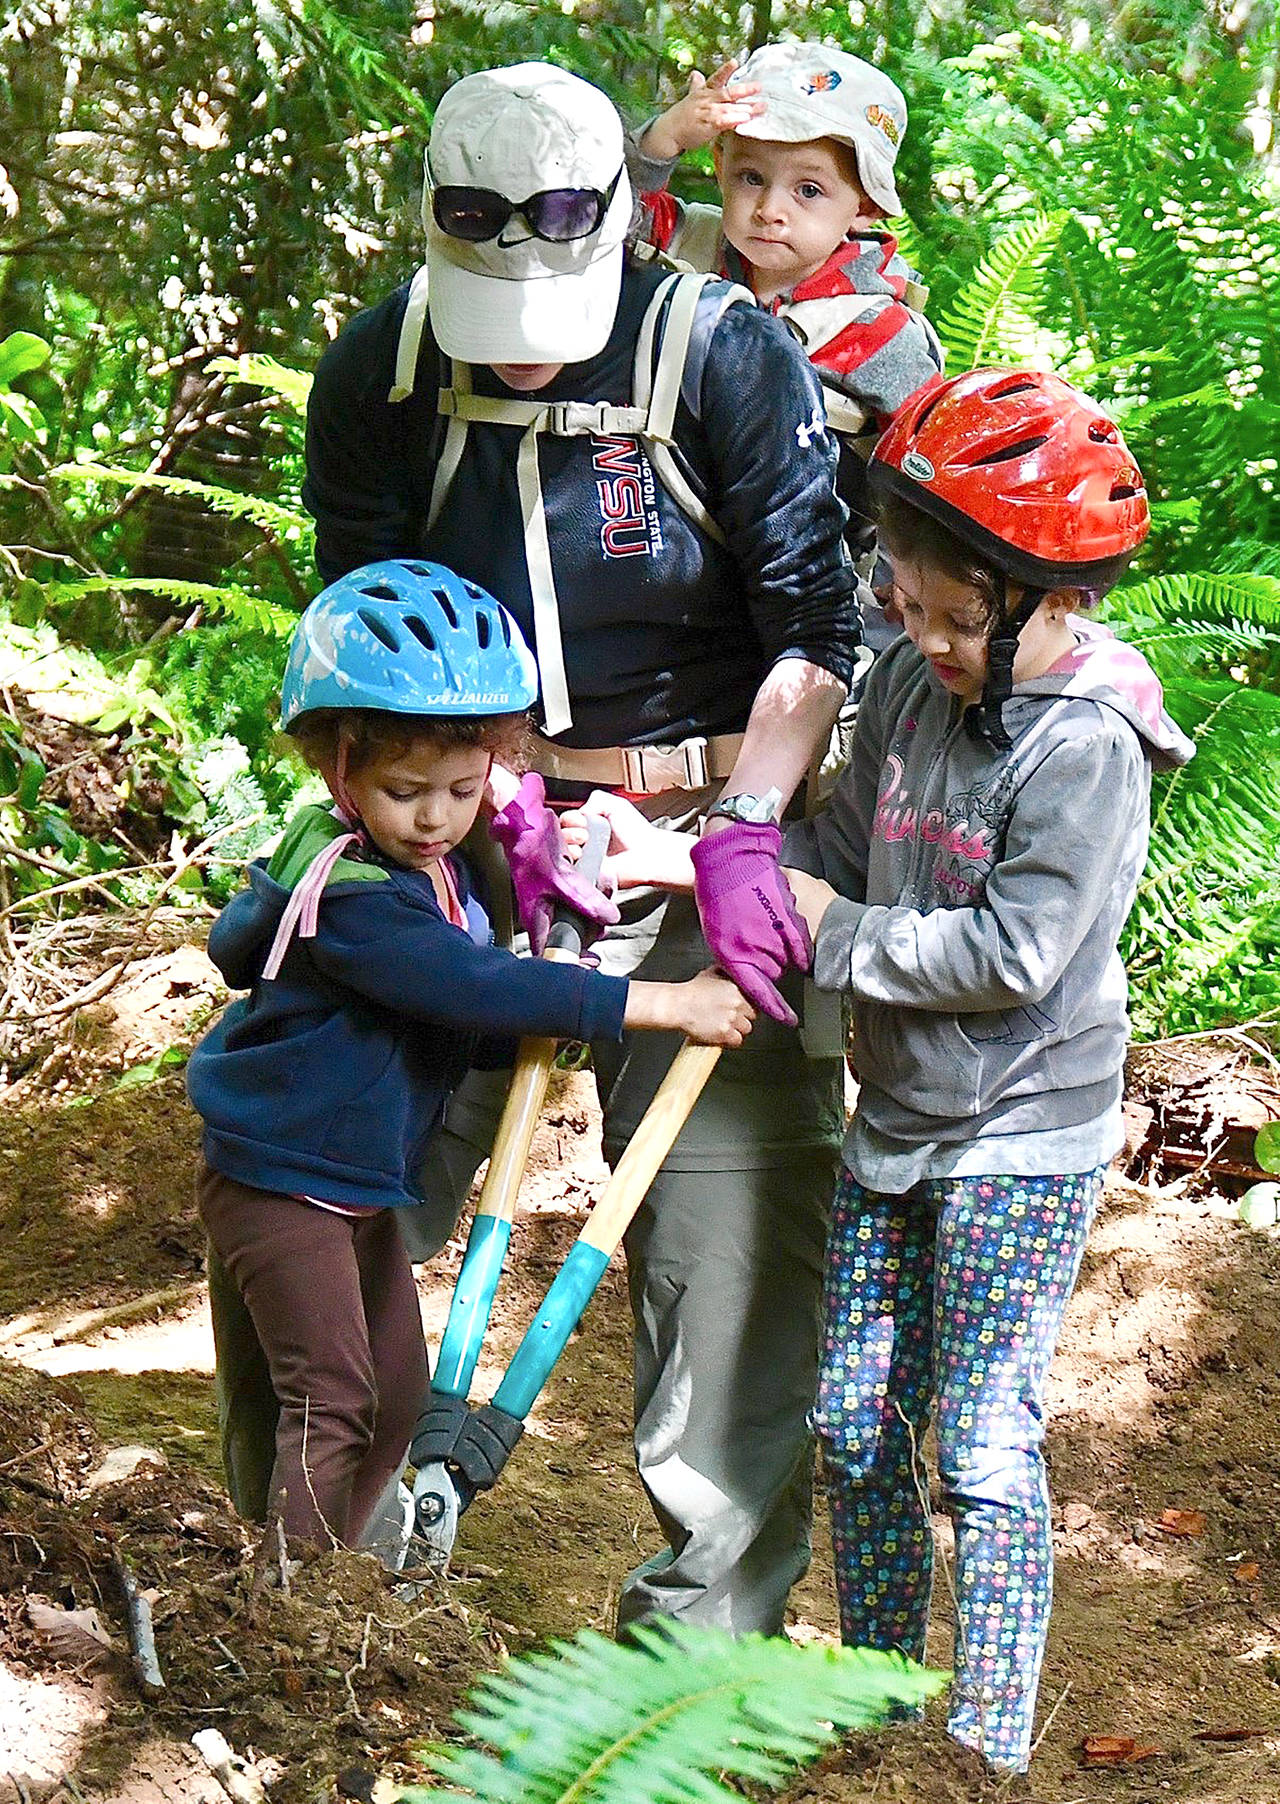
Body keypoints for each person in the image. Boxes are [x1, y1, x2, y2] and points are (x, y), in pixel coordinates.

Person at [298, 60, 865, 1630]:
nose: (528, 365)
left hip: (699, 834)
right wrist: (483, 796)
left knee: (722, 1238)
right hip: (457, 827)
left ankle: (700, 1647)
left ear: (625, 226)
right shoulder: (386, 371)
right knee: (324, 1155)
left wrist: (746, 828)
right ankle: (304, 1558)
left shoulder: (723, 354)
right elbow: (354, 631)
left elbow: (818, 630)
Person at [564, 367, 1194, 1768]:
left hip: (1023, 1134)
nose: (927, 641)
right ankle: (879, 1705)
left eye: (959, 621)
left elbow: (1014, 956)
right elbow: (837, 859)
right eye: (905, 608)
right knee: (852, 1429)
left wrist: (828, 929)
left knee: (975, 1444)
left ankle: (981, 1748)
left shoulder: (1086, 745)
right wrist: (718, 872)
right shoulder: (910, 683)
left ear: (1051, 601)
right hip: (896, 1115)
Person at [187, 559, 754, 1550]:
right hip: (284, 1190)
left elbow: (460, 1010)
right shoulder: (350, 894)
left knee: (396, 1394)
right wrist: (657, 1000)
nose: (437, 817)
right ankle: (288, 1615)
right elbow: (470, 988)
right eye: (405, 791)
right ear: (338, 767)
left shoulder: (425, 872)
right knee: (333, 1395)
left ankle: (341, 1571)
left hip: (347, 1181)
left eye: (461, 789)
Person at [628, 43, 943, 581]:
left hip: (801, 572)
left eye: (809, 190)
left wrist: (910, 578)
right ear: (722, 166)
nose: (771, 210)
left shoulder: (876, 331)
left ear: (865, 207)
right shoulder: (689, 244)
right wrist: (667, 139)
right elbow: (599, 219)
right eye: (752, 178)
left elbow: (927, 471)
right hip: (656, 540)